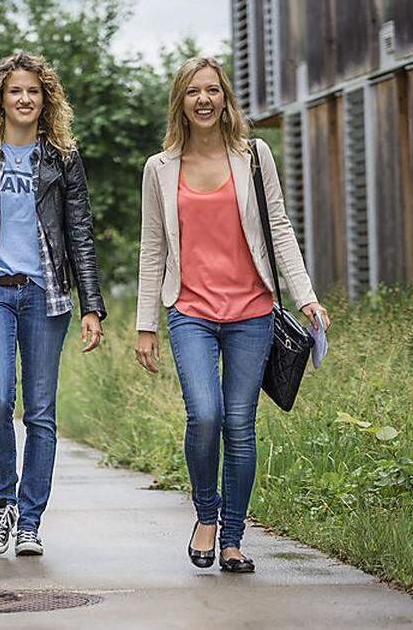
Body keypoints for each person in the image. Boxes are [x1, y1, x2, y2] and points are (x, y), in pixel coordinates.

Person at [134, 56, 330, 573]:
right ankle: (206, 516)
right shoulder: (159, 167)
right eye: (193, 91)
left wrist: (305, 295)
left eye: (213, 91)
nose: (204, 100)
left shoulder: (255, 156)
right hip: (190, 310)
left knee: (241, 423)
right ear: (180, 100)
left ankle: (234, 540)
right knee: (205, 415)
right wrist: (145, 324)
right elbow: (151, 246)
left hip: (252, 311)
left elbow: (280, 228)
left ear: (226, 99)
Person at [0, 53, 106, 558]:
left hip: (46, 294)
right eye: (16, 90)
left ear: (46, 98)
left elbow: (80, 232)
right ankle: (2, 503)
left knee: (40, 412)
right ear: (0, 98)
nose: (25, 98)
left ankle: (31, 520)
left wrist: (92, 306)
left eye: (34, 91)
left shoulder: (62, 159)